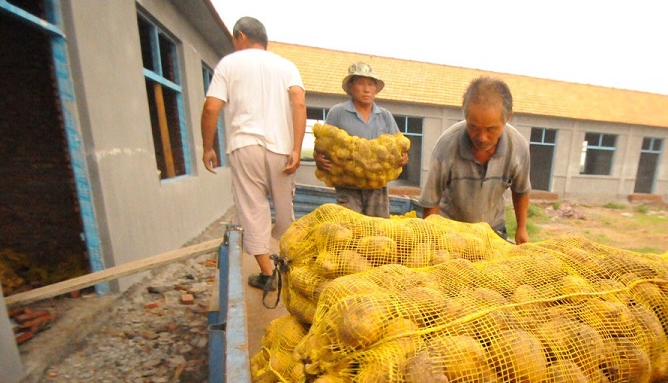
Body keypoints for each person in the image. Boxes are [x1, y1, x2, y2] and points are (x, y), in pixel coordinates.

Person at [201, 16, 307, 291]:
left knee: (252, 208)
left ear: (241, 36)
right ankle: (290, 264)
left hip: (245, 145)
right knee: (285, 209)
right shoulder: (286, 66)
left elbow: (212, 108)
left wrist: (207, 146)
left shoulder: (229, 64)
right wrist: (296, 148)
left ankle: (268, 273)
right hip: (282, 148)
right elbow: (298, 102)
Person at [418, 77, 531, 244]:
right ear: (465, 116)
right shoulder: (447, 145)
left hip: (493, 231)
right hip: (452, 231)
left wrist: (521, 228)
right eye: (473, 127)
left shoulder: (518, 147)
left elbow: (521, 190)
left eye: (491, 129)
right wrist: (431, 239)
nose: (482, 138)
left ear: (507, 117)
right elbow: (431, 200)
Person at [313, 62, 407, 218]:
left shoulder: (385, 116)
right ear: (351, 87)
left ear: (376, 89)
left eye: (371, 84)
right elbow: (322, 147)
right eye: (361, 83)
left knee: (378, 228)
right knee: (351, 226)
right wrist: (318, 158)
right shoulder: (337, 113)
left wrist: (403, 157)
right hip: (347, 185)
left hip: (377, 187)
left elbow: (399, 148)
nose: (366, 89)